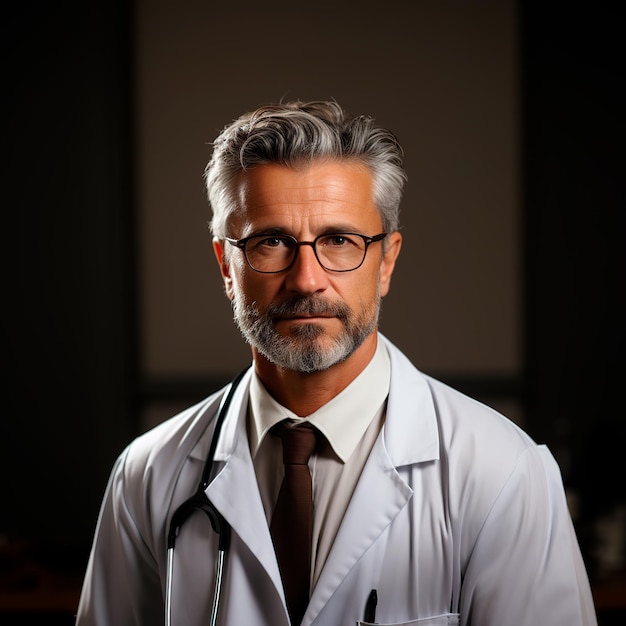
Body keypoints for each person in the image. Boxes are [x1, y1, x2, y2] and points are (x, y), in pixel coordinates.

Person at [76, 100, 597, 625]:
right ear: (226, 265)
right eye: (272, 241)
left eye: (339, 241)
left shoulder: (503, 474)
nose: (306, 279)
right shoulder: (146, 475)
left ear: (387, 260)